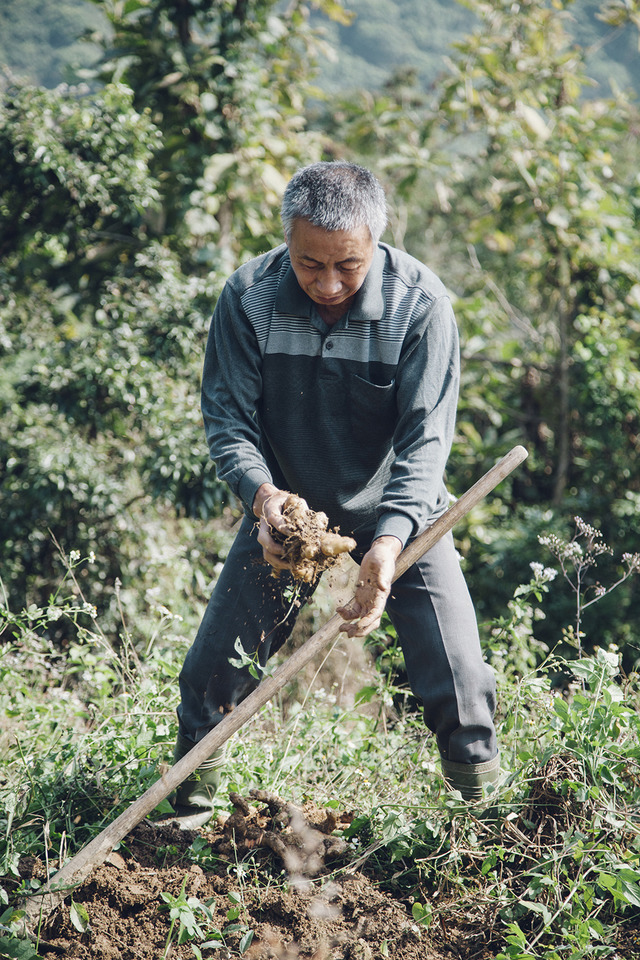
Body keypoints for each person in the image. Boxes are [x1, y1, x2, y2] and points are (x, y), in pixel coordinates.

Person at [171, 161, 498, 827]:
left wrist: (388, 541)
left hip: (401, 507)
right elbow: (229, 422)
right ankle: (185, 825)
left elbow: (426, 443)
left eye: (346, 265)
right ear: (286, 243)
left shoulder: (421, 306)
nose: (326, 283)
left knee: (460, 682)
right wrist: (267, 504)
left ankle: (491, 824)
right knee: (212, 675)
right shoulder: (248, 298)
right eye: (307, 264)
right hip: (289, 509)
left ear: (376, 241)